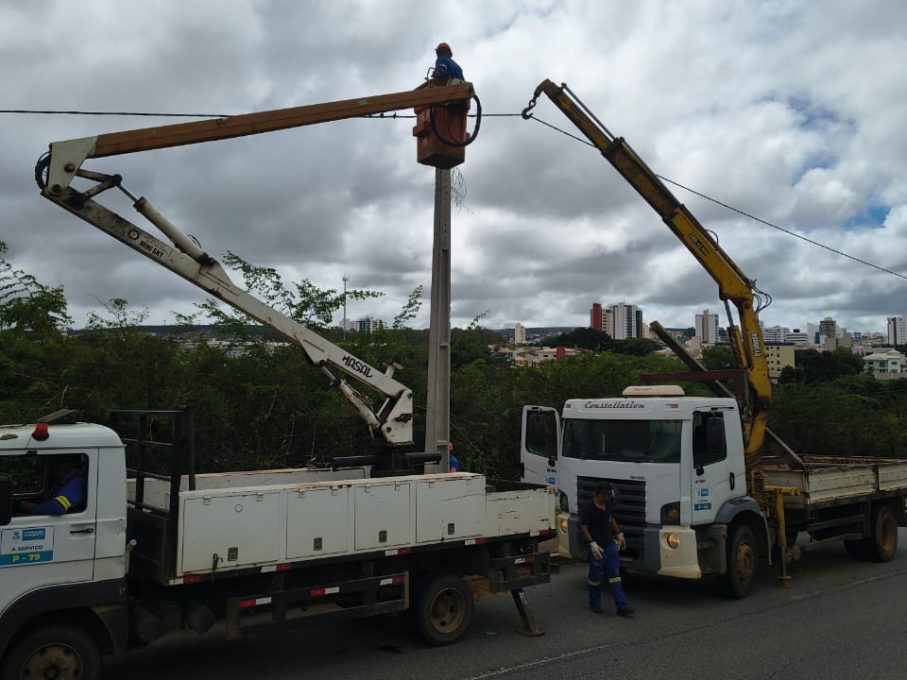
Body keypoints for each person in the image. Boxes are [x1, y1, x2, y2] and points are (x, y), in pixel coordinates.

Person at [579, 481, 634, 617]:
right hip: (598, 548)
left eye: (611, 494)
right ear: (600, 495)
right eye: (608, 495)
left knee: (615, 576)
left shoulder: (609, 504)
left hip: (610, 546)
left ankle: (622, 606)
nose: (610, 497)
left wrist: (619, 534)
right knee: (595, 578)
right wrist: (591, 543)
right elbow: (584, 527)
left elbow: (611, 518)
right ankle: (594, 603)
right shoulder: (588, 508)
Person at [17, 455, 88, 516]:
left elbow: (57, 507)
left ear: (67, 468)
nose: (53, 472)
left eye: (55, 468)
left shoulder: (77, 483)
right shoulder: (64, 481)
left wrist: (33, 508)